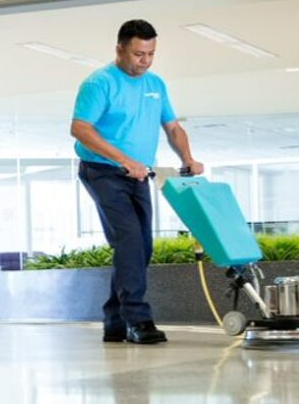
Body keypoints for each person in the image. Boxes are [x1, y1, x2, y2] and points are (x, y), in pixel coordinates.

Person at [70, 19, 205, 344]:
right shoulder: (99, 83)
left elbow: (172, 127)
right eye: (138, 54)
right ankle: (138, 320)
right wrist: (123, 160)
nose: (144, 61)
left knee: (141, 247)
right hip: (102, 170)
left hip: (139, 175)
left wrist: (187, 157)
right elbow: (81, 129)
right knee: (129, 241)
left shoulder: (155, 83)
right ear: (120, 49)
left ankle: (115, 320)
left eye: (150, 54)